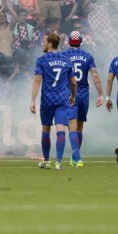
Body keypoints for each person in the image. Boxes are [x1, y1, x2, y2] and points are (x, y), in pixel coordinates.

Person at [30, 32, 77, 170]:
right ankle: (59, 162)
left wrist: (32, 100)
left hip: (47, 100)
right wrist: (73, 96)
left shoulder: (42, 60)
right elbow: (73, 82)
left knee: (46, 128)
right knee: (61, 129)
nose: (42, 44)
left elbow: (38, 80)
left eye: (44, 42)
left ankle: (46, 161)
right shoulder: (66, 60)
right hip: (62, 99)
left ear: (50, 44)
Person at [62, 31, 104, 166]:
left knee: (72, 127)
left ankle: (77, 157)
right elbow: (95, 76)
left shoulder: (64, 56)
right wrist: (100, 94)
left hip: (70, 94)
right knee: (80, 127)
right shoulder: (88, 56)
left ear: (69, 41)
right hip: (84, 94)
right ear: (81, 42)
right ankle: (75, 157)